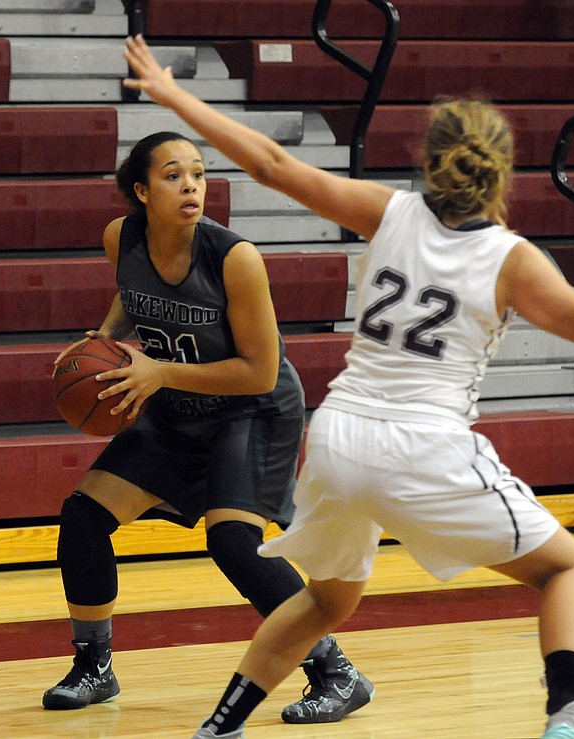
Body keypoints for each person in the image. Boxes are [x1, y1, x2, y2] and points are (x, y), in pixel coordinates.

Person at [122, 34, 574, 739]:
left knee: (326, 602)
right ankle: (570, 716)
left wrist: (173, 95)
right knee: (565, 568)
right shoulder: (510, 257)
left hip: (340, 438)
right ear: (502, 173)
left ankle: (220, 726)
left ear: (430, 161)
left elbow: (270, 162)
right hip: (425, 443)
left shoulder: (390, 211)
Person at [41, 130, 374, 725]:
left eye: (197, 173)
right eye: (173, 175)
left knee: (232, 540)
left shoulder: (234, 258)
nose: (191, 184)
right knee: (82, 518)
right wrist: (104, 338)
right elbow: (132, 296)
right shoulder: (122, 238)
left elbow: (259, 371)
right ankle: (95, 666)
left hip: (253, 410)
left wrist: (158, 371)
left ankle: (336, 672)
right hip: (175, 405)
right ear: (141, 191)